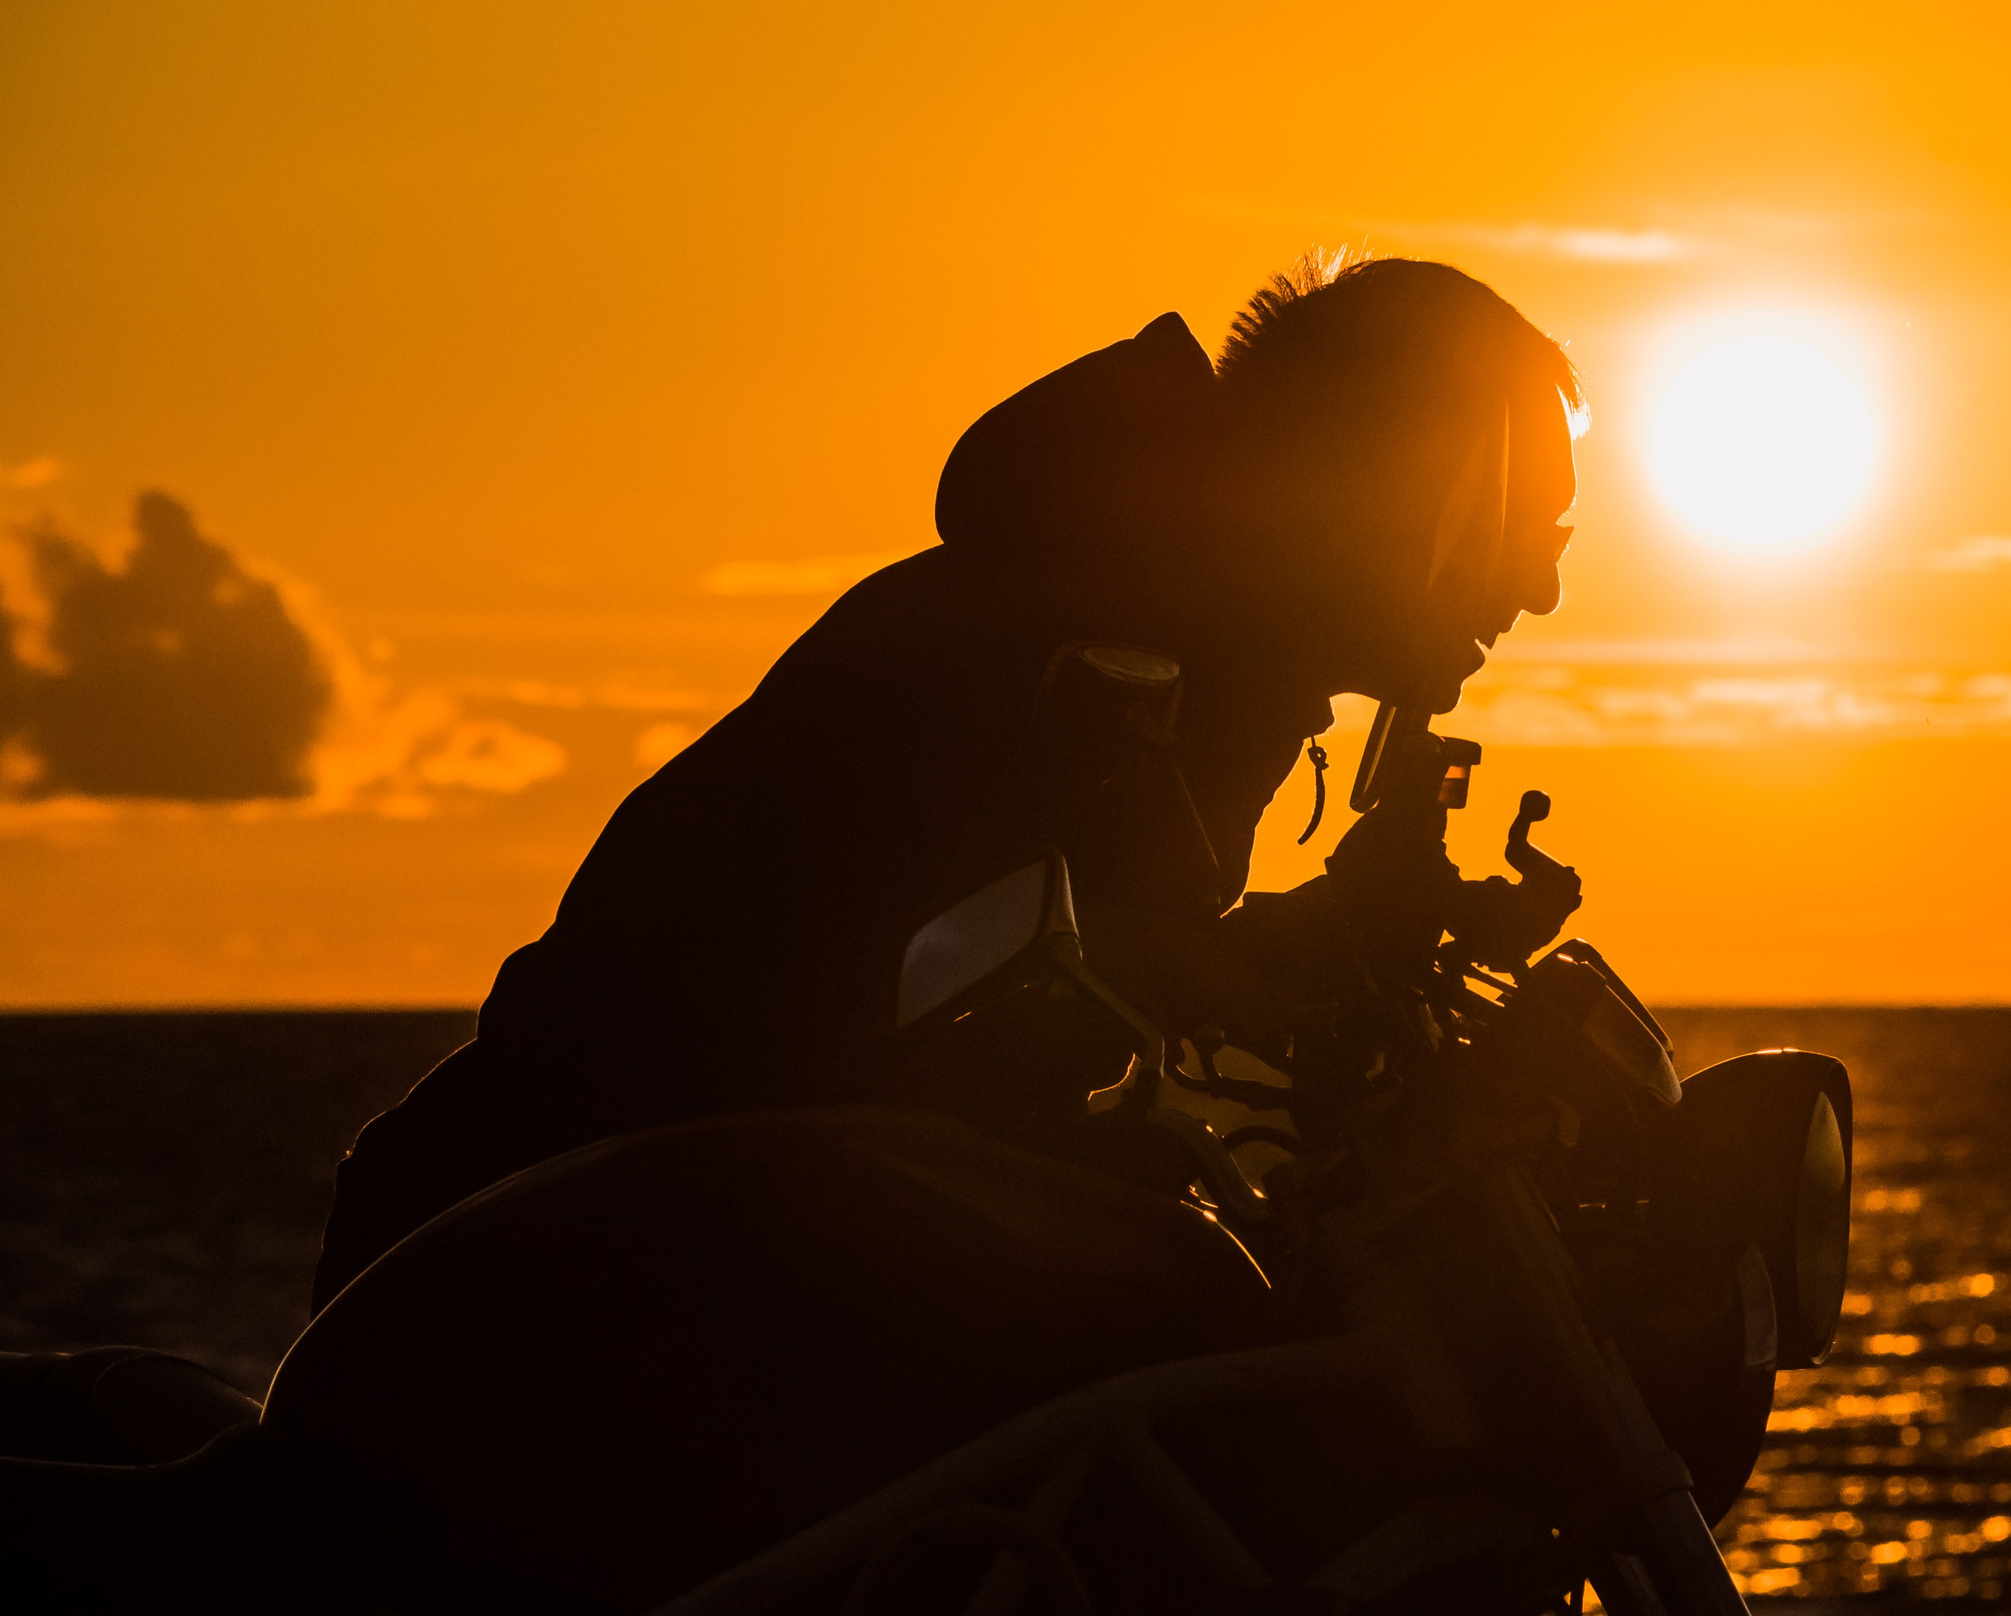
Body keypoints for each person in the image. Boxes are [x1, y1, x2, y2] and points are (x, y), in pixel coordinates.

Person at [311, 253, 1587, 1309]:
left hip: (668, 1236)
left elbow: (1079, 964)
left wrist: (1335, 940)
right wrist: (1297, 958)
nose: (1536, 583)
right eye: (1522, 520)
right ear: (1413, 486)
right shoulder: (1088, 636)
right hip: (535, 1265)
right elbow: (1018, 977)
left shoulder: (1186, 625)